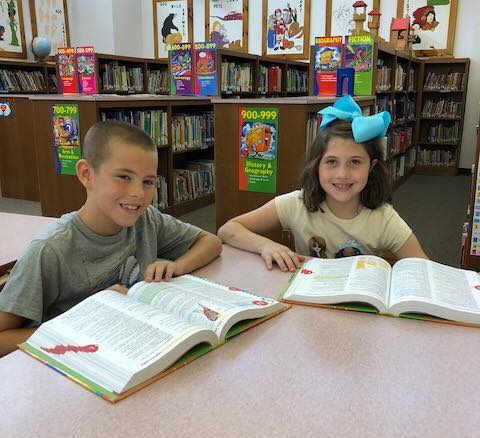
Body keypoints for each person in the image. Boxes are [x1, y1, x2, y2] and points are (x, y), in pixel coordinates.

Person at [0, 121, 222, 356]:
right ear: (86, 174)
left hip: (135, 347)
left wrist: (177, 266)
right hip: (78, 365)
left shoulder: (147, 219)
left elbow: (211, 242)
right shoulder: (49, 250)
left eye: (148, 181)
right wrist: (86, 319)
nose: (138, 193)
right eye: (124, 177)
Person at [218, 95, 427, 272]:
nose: (342, 174)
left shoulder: (384, 219)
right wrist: (265, 245)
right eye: (331, 162)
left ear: (371, 167)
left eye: (355, 162)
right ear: (316, 166)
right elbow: (227, 230)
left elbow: (424, 269)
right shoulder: (296, 204)